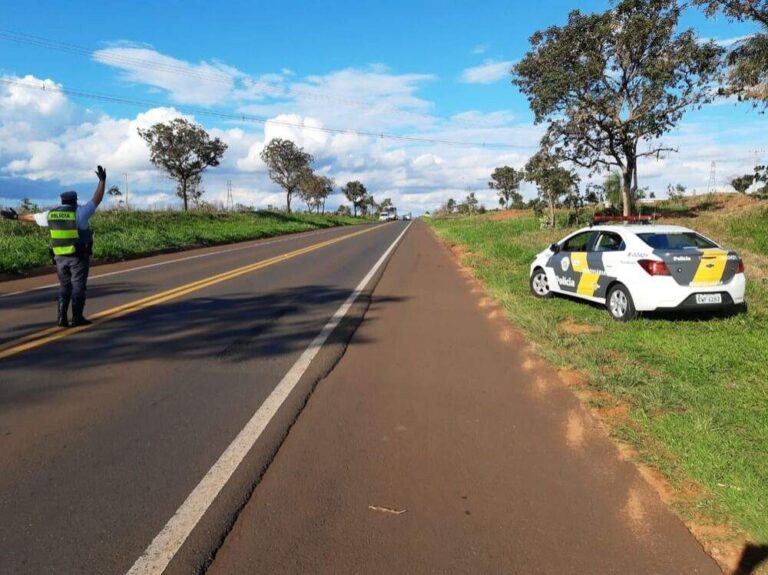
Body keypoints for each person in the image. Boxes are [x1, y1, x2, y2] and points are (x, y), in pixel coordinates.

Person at [1, 166, 107, 327]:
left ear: (62, 201)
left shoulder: (50, 214)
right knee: (78, 286)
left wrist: (15, 216)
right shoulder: (80, 213)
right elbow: (97, 198)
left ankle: (61, 318)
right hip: (77, 256)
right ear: (75, 201)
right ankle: (77, 318)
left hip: (59, 257)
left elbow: (31, 217)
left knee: (64, 286)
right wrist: (102, 181)